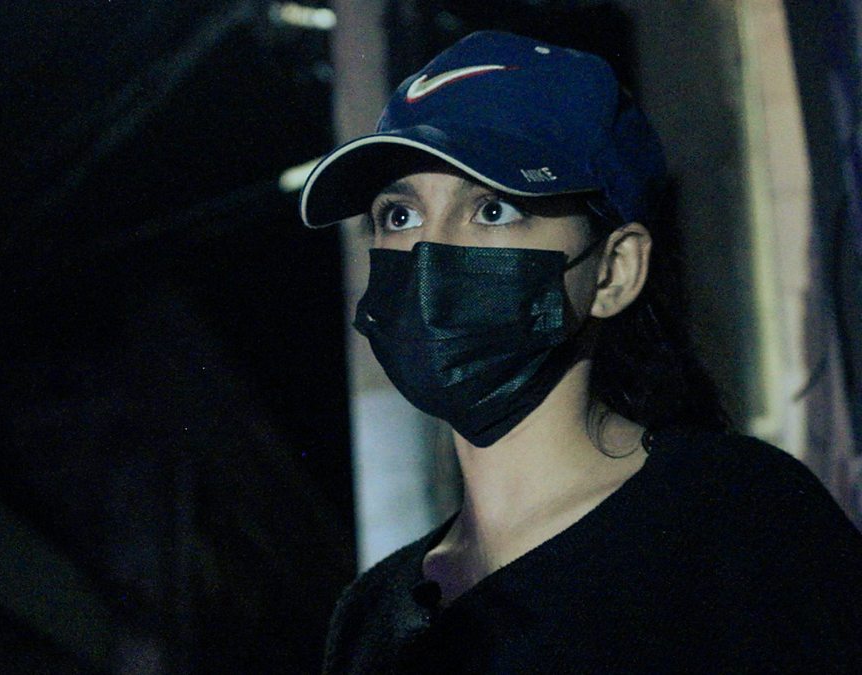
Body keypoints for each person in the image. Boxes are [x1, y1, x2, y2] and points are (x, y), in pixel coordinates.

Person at [299, 30, 862, 673]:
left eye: (493, 210)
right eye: (399, 216)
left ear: (615, 271)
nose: (430, 256)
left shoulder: (738, 521)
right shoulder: (371, 617)